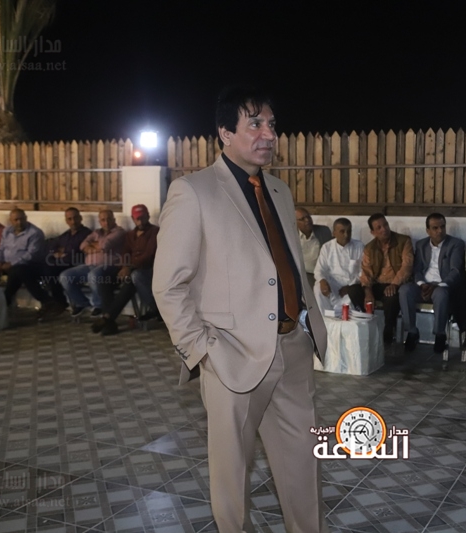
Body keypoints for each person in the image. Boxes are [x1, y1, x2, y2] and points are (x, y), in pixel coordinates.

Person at [152, 86, 329, 533]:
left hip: (292, 347)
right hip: (230, 355)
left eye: (272, 124)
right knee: (232, 473)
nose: (268, 134)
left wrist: (306, 325)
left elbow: (286, 263)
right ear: (225, 132)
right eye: (255, 124)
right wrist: (202, 350)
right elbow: (168, 285)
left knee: (302, 463)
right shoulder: (193, 192)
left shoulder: (279, 190)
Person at [399, 213, 464, 352]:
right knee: (404, 290)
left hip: (442, 285)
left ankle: (440, 334)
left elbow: (455, 271)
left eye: (442, 227)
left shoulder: (455, 244)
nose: (440, 231)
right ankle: (412, 331)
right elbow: (417, 269)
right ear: (428, 230)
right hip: (424, 285)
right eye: (435, 228)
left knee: (440, 294)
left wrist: (437, 285)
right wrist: (422, 284)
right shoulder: (421, 244)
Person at [92, 204, 159, 335]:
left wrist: (130, 267)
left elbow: (149, 255)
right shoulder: (130, 235)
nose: (140, 221)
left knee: (132, 279)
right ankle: (109, 322)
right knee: (104, 280)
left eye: (143, 217)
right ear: (133, 219)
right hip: (129, 268)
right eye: (137, 218)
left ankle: (108, 318)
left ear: (148, 217)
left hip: (147, 270)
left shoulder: (155, 232)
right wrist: (124, 266)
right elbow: (125, 253)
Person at [0, 208, 63, 318]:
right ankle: (47, 301)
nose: (19, 222)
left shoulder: (35, 233)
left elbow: (30, 255)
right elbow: (1, 248)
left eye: (22, 219)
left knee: (19, 271)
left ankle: (5, 300)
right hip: (7, 264)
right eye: (16, 220)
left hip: (32, 265)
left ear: (26, 218)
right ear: (11, 221)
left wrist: (11, 264)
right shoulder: (6, 231)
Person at [59, 209, 126, 317]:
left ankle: (98, 306)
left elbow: (105, 245)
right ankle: (82, 303)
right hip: (89, 266)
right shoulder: (97, 232)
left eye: (109, 219)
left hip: (110, 266)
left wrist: (92, 245)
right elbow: (82, 245)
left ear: (114, 220)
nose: (106, 222)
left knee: (93, 275)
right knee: (65, 276)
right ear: (99, 221)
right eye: (103, 220)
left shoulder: (119, 232)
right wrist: (97, 247)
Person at [360, 213, 414, 344]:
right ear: (373, 232)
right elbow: (366, 272)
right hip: (378, 284)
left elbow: (407, 267)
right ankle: (363, 328)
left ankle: (388, 331)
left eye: (385, 225)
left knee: (391, 297)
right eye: (379, 227)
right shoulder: (369, 247)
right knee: (354, 292)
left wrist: (394, 284)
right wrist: (368, 292)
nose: (384, 229)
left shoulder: (403, 241)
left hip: (396, 283)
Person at [312, 217, 364, 314]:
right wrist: (322, 281)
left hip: (352, 285)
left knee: (354, 295)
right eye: (342, 231)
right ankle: (325, 320)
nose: (346, 235)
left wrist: (350, 287)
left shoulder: (359, 246)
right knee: (318, 287)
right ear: (334, 233)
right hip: (333, 285)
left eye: (349, 231)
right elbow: (319, 269)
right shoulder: (327, 247)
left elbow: (363, 272)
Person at [43, 207, 92, 308]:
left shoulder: (87, 234)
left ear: (80, 218)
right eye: (70, 219)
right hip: (62, 263)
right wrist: (57, 253)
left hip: (77, 264)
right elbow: (50, 247)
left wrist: (64, 252)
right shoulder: (66, 235)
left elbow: (79, 253)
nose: (73, 222)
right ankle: (54, 302)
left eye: (75, 218)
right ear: (66, 221)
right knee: (44, 267)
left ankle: (60, 303)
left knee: (51, 271)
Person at [296, 207, 332, 287]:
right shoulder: (291, 235)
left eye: (308, 217)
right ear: (295, 222)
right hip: (302, 274)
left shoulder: (324, 231)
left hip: (321, 273)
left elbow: (331, 254)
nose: (307, 220)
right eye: (302, 219)